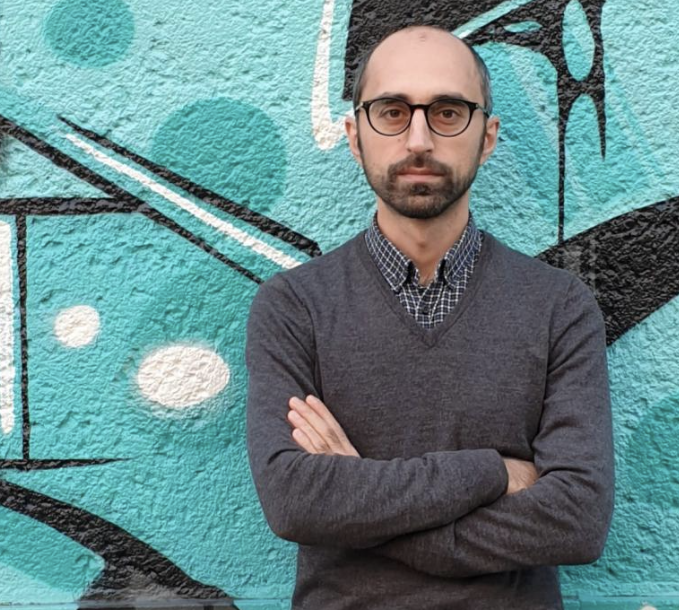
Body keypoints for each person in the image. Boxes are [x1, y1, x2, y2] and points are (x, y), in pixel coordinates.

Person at [245, 24, 613, 610]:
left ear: (487, 137)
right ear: (355, 136)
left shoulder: (559, 307)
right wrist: (493, 473)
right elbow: (294, 501)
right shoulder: (294, 306)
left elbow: (577, 520)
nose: (418, 140)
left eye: (447, 113)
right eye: (392, 112)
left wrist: (363, 513)